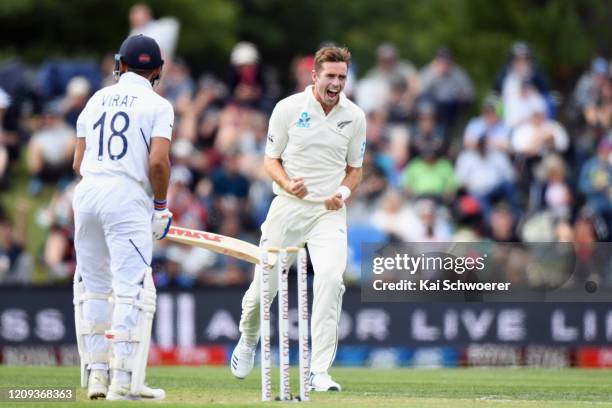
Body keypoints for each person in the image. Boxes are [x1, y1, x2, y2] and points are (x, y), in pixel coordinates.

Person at [230, 46, 366, 392]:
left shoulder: (355, 116)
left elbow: (355, 170)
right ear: (314, 76)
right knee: (265, 287)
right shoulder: (288, 108)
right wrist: (288, 182)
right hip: (288, 206)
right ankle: (247, 340)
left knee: (332, 279)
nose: (336, 83)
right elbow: (270, 160)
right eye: (330, 76)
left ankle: (318, 371)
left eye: (341, 77)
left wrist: (343, 194)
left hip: (329, 211)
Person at [71, 34, 173, 400]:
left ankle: (97, 374)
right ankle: (124, 382)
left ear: (122, 64)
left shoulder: (96, 98)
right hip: (125, 196)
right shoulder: (158, 105)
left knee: (94, 288)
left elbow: (77, 163)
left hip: (86, 193)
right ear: (158, 70)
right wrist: (160, 207)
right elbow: (158, 162)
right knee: (132, 291)